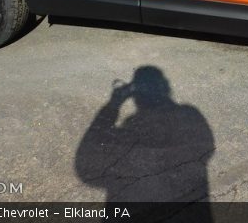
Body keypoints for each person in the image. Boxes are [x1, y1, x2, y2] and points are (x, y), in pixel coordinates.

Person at [75, 66, 214, 217]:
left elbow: (86, 163)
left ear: (135, 94)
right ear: (165, 86)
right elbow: (207, 147)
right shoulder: (189, 113)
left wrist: (114, 104)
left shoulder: (132, 126)